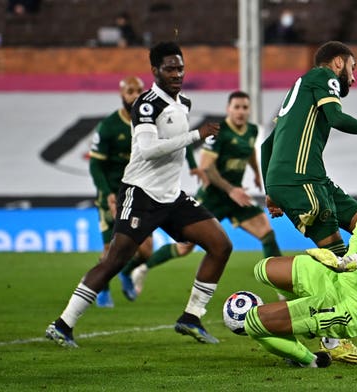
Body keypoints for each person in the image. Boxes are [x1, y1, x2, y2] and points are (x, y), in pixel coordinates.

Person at [45, 41, 231, 348]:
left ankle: (192, 317)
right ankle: (63, 324)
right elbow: (148, 150)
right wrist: (197, 135)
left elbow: (177, 151)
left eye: (180, 67)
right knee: (115, 260)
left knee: (220, 245)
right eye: (170, 68)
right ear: (155, 71)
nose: (177, 73)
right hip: (141, 193)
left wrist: (193, 161)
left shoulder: (183, 103)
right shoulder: (146, 105)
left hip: (172, 196)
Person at [245, 132, 357, 368]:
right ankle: (302, 316)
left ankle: (314, 358)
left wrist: (347, 262)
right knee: (264, 270)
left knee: (253, 322)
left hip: (353, 304)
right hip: (337, 280)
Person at [260, 40, 357, 364]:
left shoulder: (297, 92)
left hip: (309, 178)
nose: (353, 78)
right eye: (352, 68)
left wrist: (271, 189)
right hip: (301, 179)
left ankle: (299, 310)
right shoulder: (321, 77)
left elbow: (266, 146)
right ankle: (328, 336)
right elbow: (335, 116)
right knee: (336, 258)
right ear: (337, 63)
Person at [125, 91, 283, 296]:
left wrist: (255, 172)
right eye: (236, 107)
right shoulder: (219, 132)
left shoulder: (252, 130)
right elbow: (206, 167)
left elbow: (249, 151)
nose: (241, 111)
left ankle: (281, 288)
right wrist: (231, 189)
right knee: (184, 248)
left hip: (236, 198)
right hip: (213, 198)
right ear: (228, 109)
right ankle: (140, 268)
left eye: (244, 107)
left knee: (267, 234)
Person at [87, 75, 153, 308]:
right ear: (122, 95)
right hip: (112, 195)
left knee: (146, 250)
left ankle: (126, 272)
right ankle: (103, 289)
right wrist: (107, 193)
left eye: (138, 91)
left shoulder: (149, 123)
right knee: (111, 249)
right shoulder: (109, 126)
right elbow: (95, 164)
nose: (134, 96)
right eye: (130, 91)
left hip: (140, 195)